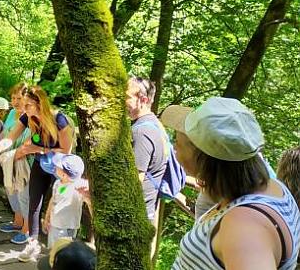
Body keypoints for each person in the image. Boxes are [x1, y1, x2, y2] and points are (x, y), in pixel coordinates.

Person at [161, 97, 300, 270]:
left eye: (178, 142)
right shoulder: (273, 188)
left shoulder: (245, 227)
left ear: (202, 158)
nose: (175, 147)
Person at [0, 86, 73, 262]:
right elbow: (11, 137)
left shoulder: (59, 120)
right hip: (41, 164)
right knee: (34, 203)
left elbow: (66, 150)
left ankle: (61, 249)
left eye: (28, 105)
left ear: (40, 104)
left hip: (60, 167)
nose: (24, 110)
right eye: (23, 105)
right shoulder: (28, 117)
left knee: (58, 205)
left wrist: (37, 149)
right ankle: (32, 242)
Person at [125, 77, 167, 221]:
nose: (122, 101)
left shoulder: (141, 132)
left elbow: (135, 180)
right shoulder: (155, 124)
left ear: (142, 100)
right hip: (146, 209)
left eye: (127, 97)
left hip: (135, 214)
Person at [0, 83, 33, 245]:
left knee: (24, 195)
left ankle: (27, 229)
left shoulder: (32, 117)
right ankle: (17, 222)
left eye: (19, 98)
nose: (16, 102)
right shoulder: (11, 113)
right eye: (13, 98)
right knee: (11, 192)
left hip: (25, 163)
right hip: (9, 160)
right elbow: (6, 134)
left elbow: (29, 142)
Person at [44, 154, 90, 253]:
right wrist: (47, 218)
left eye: (57, 167)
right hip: (55, 224)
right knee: (53, 250)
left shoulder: (79, 186)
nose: (55, 167)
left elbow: (89, 202)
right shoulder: (58, 183)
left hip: (68, 227)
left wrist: (87, 196)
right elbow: (53, 200)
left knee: (63, 252)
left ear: (64, 174)